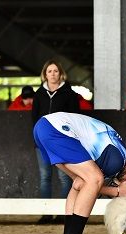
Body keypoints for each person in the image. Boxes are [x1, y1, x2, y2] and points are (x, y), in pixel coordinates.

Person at [33, 111, 126, 234]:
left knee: (82, 181)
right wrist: (117, 191)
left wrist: (113, 189)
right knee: (94, 178)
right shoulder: (118, 160)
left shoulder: (119, 151)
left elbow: (80, 185)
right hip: (56, 129)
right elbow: (94, 182)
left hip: (45, 126)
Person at [32, 60, 80, 223]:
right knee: (45, 177)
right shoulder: (38, 94)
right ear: (45, 74)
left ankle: (63, 213)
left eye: (55, 71)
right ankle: (46, 213)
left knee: (64, 177)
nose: (53, 74)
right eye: (49, 71)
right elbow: (34, 120)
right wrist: (37, 140)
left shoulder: (69, 94)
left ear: (61, 74)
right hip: (43, 143)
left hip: (62, 143)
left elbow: (75, 119)